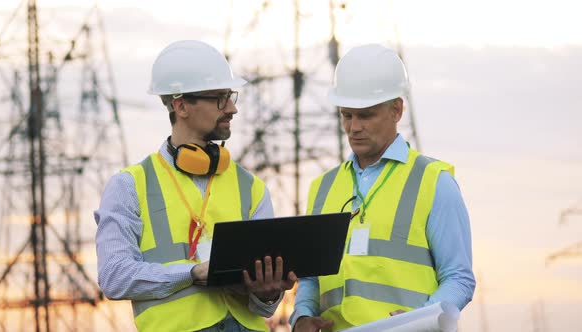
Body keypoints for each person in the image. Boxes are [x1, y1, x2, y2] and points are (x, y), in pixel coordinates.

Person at [94, 40, 297, 332]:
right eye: (220, 98)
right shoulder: (129, 186)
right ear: (181, 105)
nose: (232, 108)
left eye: (230, 96)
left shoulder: (250, 187)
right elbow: (114, 275)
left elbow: (264, 306)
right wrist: (190, 273)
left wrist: (268, 292)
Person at [290, 44, 476, 331]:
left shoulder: (434, 181)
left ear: (397, 110)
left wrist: (420, 322)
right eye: (346, 115)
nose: (354, 127)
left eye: (366, 115)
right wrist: (301, 316)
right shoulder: (322, 188)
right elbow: (311, 278)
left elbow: (459, 278)